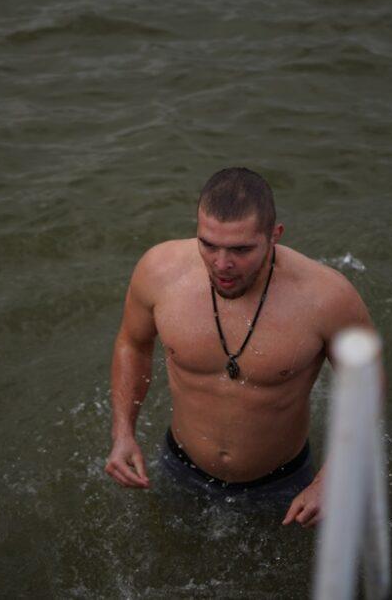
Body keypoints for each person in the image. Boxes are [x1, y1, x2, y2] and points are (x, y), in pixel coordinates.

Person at [104, 167, 374, 527]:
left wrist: (332, 479)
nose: (221, 264)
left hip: (284, 483)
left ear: (274, 236)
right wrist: (123, 433)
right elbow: (133, 344)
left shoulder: (326, 297)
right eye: (208, 244)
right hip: (180, 465)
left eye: (241, 249)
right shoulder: (159, 272)